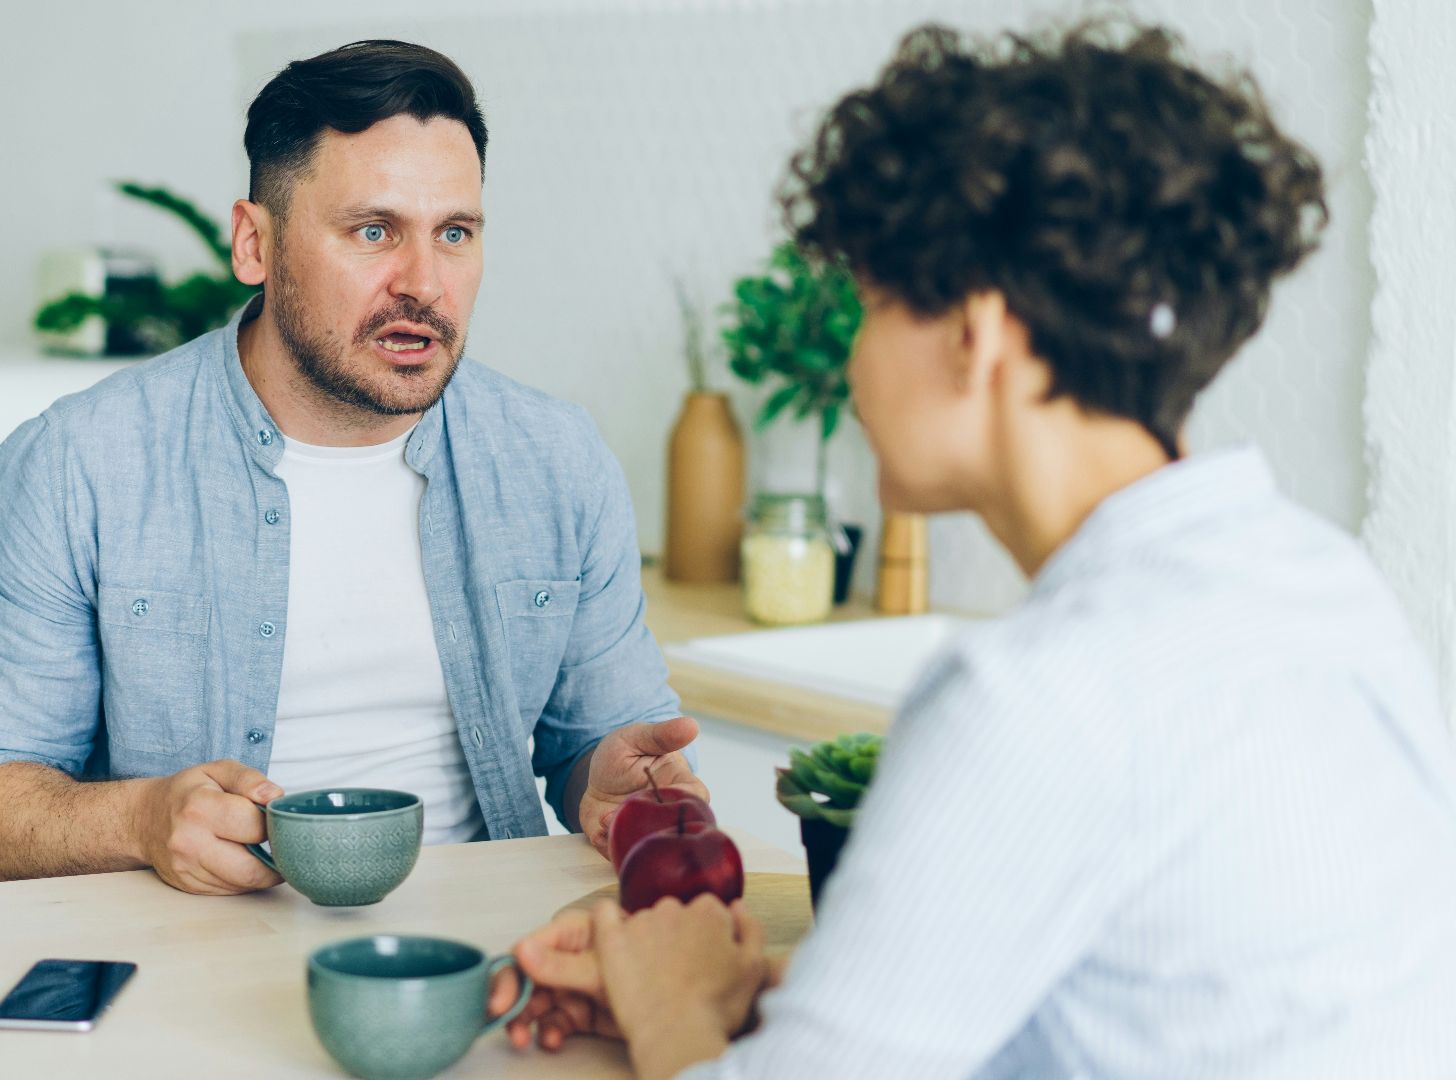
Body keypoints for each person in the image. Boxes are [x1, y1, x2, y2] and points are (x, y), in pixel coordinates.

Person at [491, 19, 1456, 1078]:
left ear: (975, 336)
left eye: (868, 303)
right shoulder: (1320, 584)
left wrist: (671, 999)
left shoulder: (1041, 695)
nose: (854, 361)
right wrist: (751, 1001)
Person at [0, 39, 705, 895]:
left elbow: (600, 742)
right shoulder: (77, 467)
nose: (425, 284)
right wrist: (140, 820)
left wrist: (613, 787)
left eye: (455, 233)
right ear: (255, 244)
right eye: (374, 232)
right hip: (191, 949)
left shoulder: (557, 460)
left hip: (484, 947)